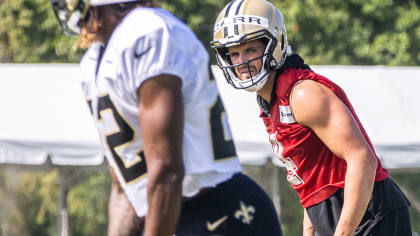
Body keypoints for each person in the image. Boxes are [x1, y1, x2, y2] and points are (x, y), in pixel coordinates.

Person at [50, 0, 283, 235]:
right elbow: (125, 189)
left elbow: (166, 171)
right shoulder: (93, 62)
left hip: (224, 214)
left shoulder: (149, 33)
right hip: (174, 215)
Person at [211, 0, 412, 235]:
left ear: (275, 45)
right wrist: (310, 228)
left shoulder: (303, 93)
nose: (241, 61)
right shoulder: (273, 100)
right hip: (339, 214)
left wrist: (343, 232)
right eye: (233, 53)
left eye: (250, 50)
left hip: (369, 214)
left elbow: (362, 159)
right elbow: (313, 178)